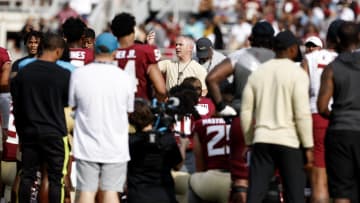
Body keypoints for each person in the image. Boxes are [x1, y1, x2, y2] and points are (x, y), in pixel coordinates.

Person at [241, 30, 313, 203]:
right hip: (289, 141)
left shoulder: (259, 72)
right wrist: (308, 146)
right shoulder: (298, 74)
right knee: (294, 194)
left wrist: (249, 140)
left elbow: (246, 111)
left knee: (255, 194)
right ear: (293, 49)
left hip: (262, 139)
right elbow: (302, 113)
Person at [68, 32, 133, 203]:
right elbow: (129, 110)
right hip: (115, 145)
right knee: (111, 193)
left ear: (94, 49)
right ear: (115, 52)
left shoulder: (79, 74)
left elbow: (72, 106)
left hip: (86, 144)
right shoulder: (125, 78)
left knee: (86, 193)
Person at [11, 32, 70, 203]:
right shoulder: (64, 74)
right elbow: (68, 105)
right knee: (55, 179)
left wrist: (22, 132)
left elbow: (16, 104)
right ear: (58, 51)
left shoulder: (23, 72)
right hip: (54, 133)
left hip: (29, 132)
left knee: (27, 176)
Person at [301, 19, 344, 203]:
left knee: (319, 179)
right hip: (344, 116)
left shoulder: (311, 58)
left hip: (316, 114)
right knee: (344, 178)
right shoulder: (349, 58)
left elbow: (300, 90)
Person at [317, 21, 360, 203]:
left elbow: (321, 107)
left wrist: (337, 116)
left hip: (339, 132)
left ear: (337, 40)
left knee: (341, 193)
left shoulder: (332, 68)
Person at [206, 21, 275, 116]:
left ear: (251, 38)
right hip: (271, 117)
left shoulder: (239, 55)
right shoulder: (280, 58)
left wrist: (221, 107)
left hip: (242, 116)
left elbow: (211, 78)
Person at [127, 99, 188, 203]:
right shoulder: (167, 139)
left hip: (138, 196)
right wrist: (183, 146)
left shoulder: (128, 141)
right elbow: (178, 166)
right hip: (164, 196)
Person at [111, 12, 167, 101]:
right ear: (133, 30)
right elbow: (161, 90)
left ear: (114, 33)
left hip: (115, 108)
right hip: (140, 108)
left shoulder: (110, 55)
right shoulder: (145, 51)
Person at [189, 114, 232, 203]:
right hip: (236, 180)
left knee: (191, 181)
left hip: (211, 177)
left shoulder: (200, 124)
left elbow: (199, 167)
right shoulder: (242, 123)